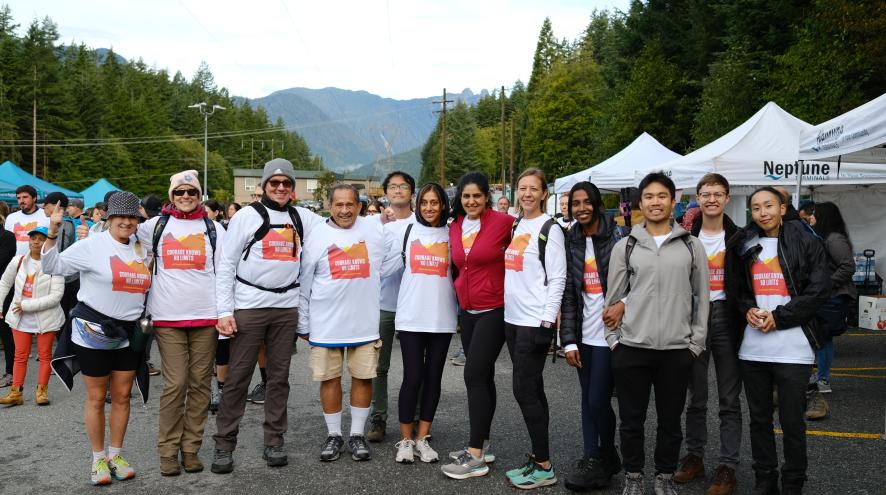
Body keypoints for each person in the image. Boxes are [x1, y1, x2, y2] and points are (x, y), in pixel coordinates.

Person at [211, 159, 323, 474]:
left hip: (286, 307)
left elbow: (339, 226)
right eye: (274, 183)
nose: (280, 188)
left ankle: (274, 441)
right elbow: (226, 265)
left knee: (278, 380)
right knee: (237, 379)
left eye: (286, 183)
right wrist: (224, 310)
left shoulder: (303, 217)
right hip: (249, 306)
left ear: (293, 187)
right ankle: (224, 444)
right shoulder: (246, 217)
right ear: (263, 185)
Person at [605, 172, 709, 495]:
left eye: (661, 196)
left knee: (670, 421)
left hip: (677, 350)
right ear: (640, 203)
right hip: (633, 347)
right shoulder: (626, 246)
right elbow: (612, 301)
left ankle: (664, 475)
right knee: (631, 420)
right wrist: (615, 343)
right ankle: (633, 476)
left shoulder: (692, 246)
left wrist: (695, 344)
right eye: (648, 196)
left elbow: (702, 298)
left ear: (672, 201)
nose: (655, 202)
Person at [725, 186, 831, 495]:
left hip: (793, 348)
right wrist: (748, 309)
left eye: (769, 205)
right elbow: (737, 289)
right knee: (759, 420)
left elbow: (819, 290)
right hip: (753, 348)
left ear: (783, 208)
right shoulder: (744, 243)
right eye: (756, 208)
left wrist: (780, 317)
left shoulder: (807, 241)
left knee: (792, 422)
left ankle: (794, 481)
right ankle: (765, 479)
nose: (763, 212)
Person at [44, 191, 151, 486]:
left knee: (122, 395)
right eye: (121, 216)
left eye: (133, 217)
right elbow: (52, 267)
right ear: (109, 217)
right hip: (93, 329)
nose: (127, 222)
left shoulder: (144, 249)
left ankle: (116, 454)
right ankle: (97, 459)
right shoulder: (92, 245)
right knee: (95, 396)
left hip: (130, 331)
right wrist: (52, 232)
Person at [137, 171, 225, 476]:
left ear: (199, 195)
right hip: (167, 318)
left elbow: (225, 273)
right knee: (176, 384)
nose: (185, 197)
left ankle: (191, 449)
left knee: (201, 385)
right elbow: (121, 240)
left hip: (206, 317)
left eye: (191, 192)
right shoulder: (154, 226)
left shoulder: (213, 228)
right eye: (179, 192)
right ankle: (167, 451)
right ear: (170, 196)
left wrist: (226, 312)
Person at [297, 184, 385, 462]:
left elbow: (387, 264)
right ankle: (334, 435)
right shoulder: (317, 235)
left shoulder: (374, 230)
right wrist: (304, 322)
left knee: (363, 377)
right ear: (330, 206)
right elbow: (304, 281)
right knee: (329, 378)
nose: (345, 210)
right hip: (325, 324)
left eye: (350, 205)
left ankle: (357, 434)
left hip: (364, 323)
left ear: (359, 206)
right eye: (339, 205)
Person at [441, 172, 514, 480]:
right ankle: (483, 444)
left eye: (477, 196)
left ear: (487, 197)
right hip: (467, 312)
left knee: (472, 374)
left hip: (494, 309)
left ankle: (474, 457)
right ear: (460, 198)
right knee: (482, 376)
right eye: (466, 196)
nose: (471, 201)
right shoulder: (455, 227)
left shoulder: (504, 223)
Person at [674, 174, 743, 495]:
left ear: (727, 198)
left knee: (729, 398)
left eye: (717, 194)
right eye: (705, 194)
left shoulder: (741, 237)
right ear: (697, 198)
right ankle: (695, 456)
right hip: (694, 319)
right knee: (696, 396)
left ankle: (728, 465)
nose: (711, 199)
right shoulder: (686, 236)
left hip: (727, 318)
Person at [499, 168, 566, 489]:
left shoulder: (549, 229)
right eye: (522, 188)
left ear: (543, 194)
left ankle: (544, 466)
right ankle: (540, 459)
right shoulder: (516, 224)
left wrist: (547, 323)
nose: (526, 194)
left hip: (533, 323)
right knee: (533, 389)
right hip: (512, 320)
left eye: (533, 189)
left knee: (524, 390)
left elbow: (558, 279)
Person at [381, 182, 456, 464]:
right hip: (411, 315)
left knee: (433, 378)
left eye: (434, 202)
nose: (429, 207)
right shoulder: (406, 230)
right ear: (417, 203)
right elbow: (383, 264)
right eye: (424, 202)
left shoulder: (452, 234)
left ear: (443, 205)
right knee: (412, 377)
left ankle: (423, 438)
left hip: (442, 316)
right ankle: (405, 440)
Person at [560, 181, 623, 491]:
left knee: (598, 398)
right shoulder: (570, 239)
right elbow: (570, 295)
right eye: (576, 203)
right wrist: (568, 340)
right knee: (587, 399)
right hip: (584, 333)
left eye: (587, 202)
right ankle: (592, 458)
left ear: (598, 204)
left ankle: (607, 452)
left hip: (611, 332)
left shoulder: (618, 236)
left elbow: (636, 283)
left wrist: (622, 306)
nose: (581, 208)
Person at [368, 171, 415, 443]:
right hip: (383, 304)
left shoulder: (423, 222)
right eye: (393, 187)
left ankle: (418, 418)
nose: (398, 191)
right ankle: (378, 418)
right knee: (378, 367)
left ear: (411, 191)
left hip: (413, 305)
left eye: (403, 186)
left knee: (414, 367)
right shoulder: (375, 225)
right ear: (386, 192)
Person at [0, 227, 64, 406]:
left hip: (46, 317)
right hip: (19, 317)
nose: (36, 242)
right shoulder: (18, 261)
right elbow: (4, 283)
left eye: (41, 239)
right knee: (20, 356)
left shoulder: (55, 265)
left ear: (48, 243)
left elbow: (56, 297)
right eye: (33, 238)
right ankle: (16, 393)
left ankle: (41, 392)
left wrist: (26, 305)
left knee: (44, 356)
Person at [809, 202, 856, 394]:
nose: (811, 218)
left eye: (814, 214)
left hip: (834, 297)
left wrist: (826, 283)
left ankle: (823, 380)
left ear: (823, 217)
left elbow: (848, 267)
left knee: (823, 338)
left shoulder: (834, 239)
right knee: (821, 338)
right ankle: (820, 377)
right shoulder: (826, 237)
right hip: (830, 296)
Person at [5, 185, 50, 256]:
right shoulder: (11, 217)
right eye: (19, 198)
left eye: (25, 197)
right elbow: (6, 242)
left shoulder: (46, 216)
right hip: (16, 262)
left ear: (34, 198)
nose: (21, 201)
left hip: (38, 262)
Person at [0, 214, 17, 388]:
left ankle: (10, 372)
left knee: (6, 333)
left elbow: (2, 261)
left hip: (4, 290)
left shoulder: (7, 236)